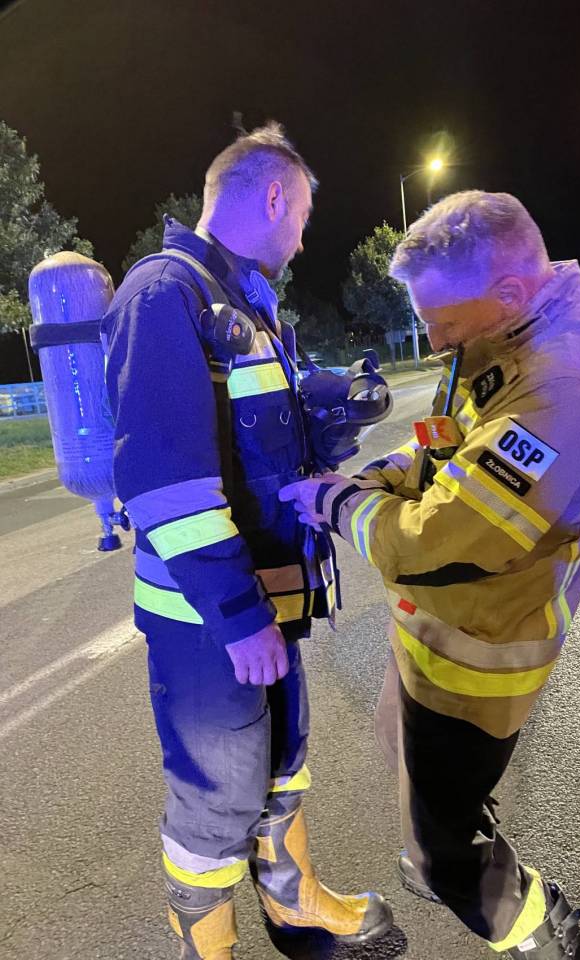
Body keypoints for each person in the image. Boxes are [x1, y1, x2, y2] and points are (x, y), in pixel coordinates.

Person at [281, 190, 580, 959]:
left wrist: (338, 502)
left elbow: (441, 538)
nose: (435, 339)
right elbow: (448, 444)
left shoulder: (562, 379)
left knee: (447, 846)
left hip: (483, 647)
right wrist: (383, 473)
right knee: (405, 742)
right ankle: (446, 838)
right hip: (441, 626)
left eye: (442, 321)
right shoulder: (513, 327)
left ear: (505, 292)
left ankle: (538, 930)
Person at [101, 122, 392, 960]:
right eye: (300, 216)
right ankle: (207, 948)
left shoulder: (245, 303)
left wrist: (325, 425)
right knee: (218, 794)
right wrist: (238, 615)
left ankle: (296, 908)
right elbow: (168, 485)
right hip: (210, 617)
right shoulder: (166, 294)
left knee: (280, 762)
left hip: (265, 599)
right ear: (271, 196)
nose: (301, 238)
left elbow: (249, 448)